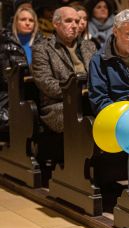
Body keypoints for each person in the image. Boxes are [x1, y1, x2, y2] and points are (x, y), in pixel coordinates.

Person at [32, 6, 96, 134]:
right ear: (56, 23)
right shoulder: (42, 48)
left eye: (77, 22)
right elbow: (46, 82)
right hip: (58, 105)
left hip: (89, 99)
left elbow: (99, 76)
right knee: (80, 114)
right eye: (68, 21)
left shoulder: (89, 45)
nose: (74, 25)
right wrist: (76, 92)